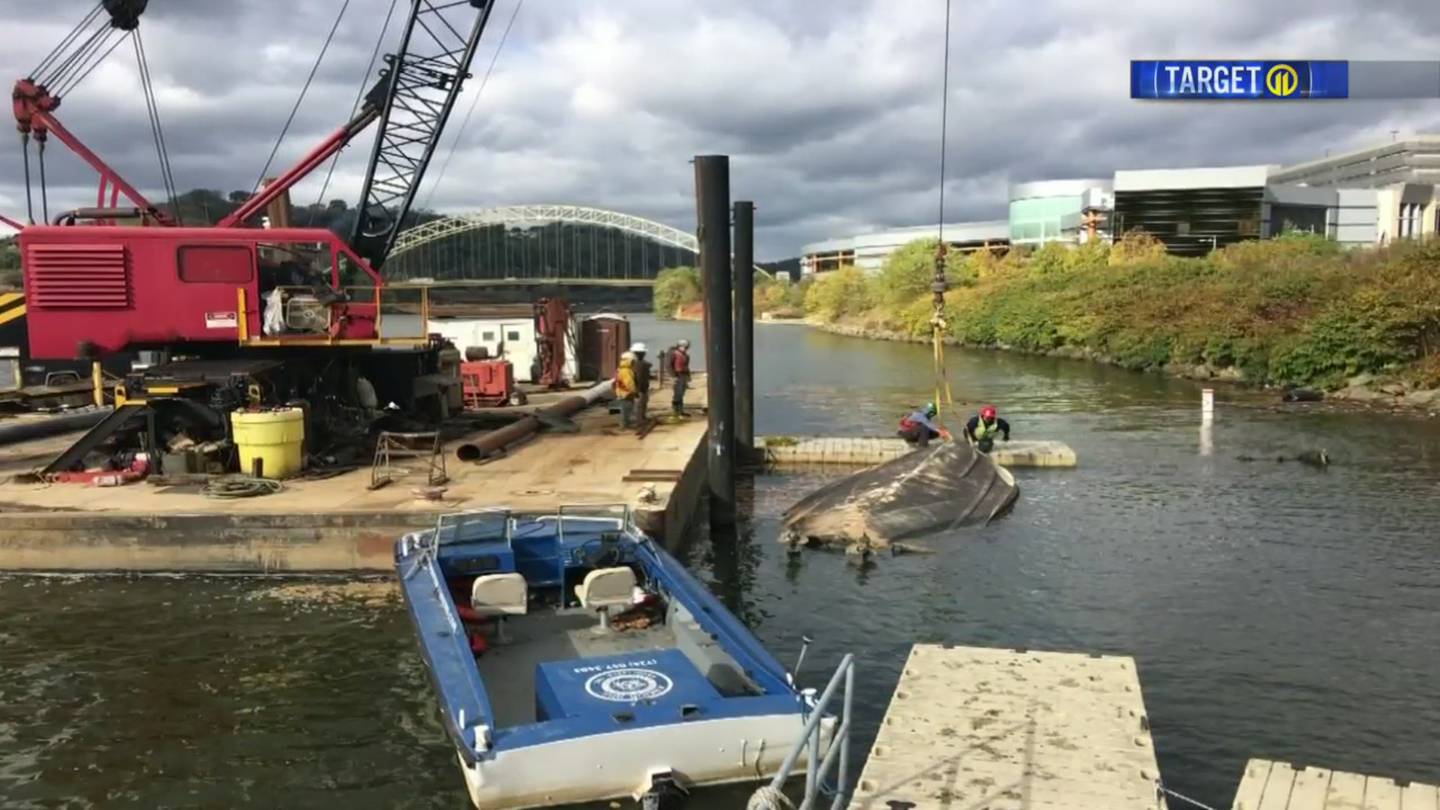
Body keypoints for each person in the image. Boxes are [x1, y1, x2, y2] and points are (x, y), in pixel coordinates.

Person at [630, 342, 652, 431]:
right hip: (640, 388)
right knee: (640, 404)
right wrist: (637, 390)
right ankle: (640, 422)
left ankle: (642, 418)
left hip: (642, 387)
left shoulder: (636, 363)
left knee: (643, 403)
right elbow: (638, 378)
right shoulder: (639, 365)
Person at [613, 352, 638, 429]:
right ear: (630, 361)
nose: (634, 363)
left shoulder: (620, 369)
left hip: (621, 392)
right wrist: (634, 391)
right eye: (633, 362)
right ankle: (624, 424)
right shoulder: (627, 371)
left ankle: (623, 423)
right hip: (627, 393)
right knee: (626, 409)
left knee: (623, 408)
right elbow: (629, 383)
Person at [669, 339, 692, 416]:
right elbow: (668, 365)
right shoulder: (674, 354)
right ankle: (675, 411)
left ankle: (680, 411)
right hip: (677, 375)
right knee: (677, 393)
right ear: (679, 346)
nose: (685, 348)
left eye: (686, 347)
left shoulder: (685, 355)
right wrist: (673, 376)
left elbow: (686, 366)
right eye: (684, 347)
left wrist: (688, 377)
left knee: (681, 393)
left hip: (683, 375)